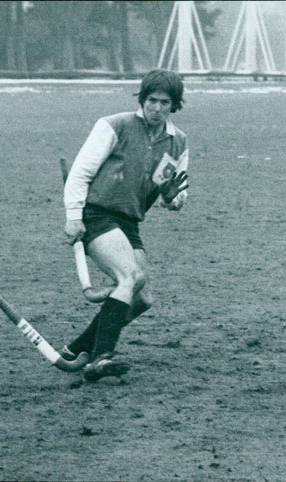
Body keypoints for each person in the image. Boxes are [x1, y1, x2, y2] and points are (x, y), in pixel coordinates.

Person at [62, 69, 190, 382]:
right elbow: (79, 174)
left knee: (143, 298)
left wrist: (174, 199)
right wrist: (74, 216)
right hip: (97, 214)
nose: (156, 108)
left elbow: (171, 196)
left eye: (164, 102)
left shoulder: (178, 143)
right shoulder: (114, 125)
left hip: (129, 222)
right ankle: (100, 357)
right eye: (151, 100)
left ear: (174, 105)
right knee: (129, 277)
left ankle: (77, 348)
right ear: (142, 99)